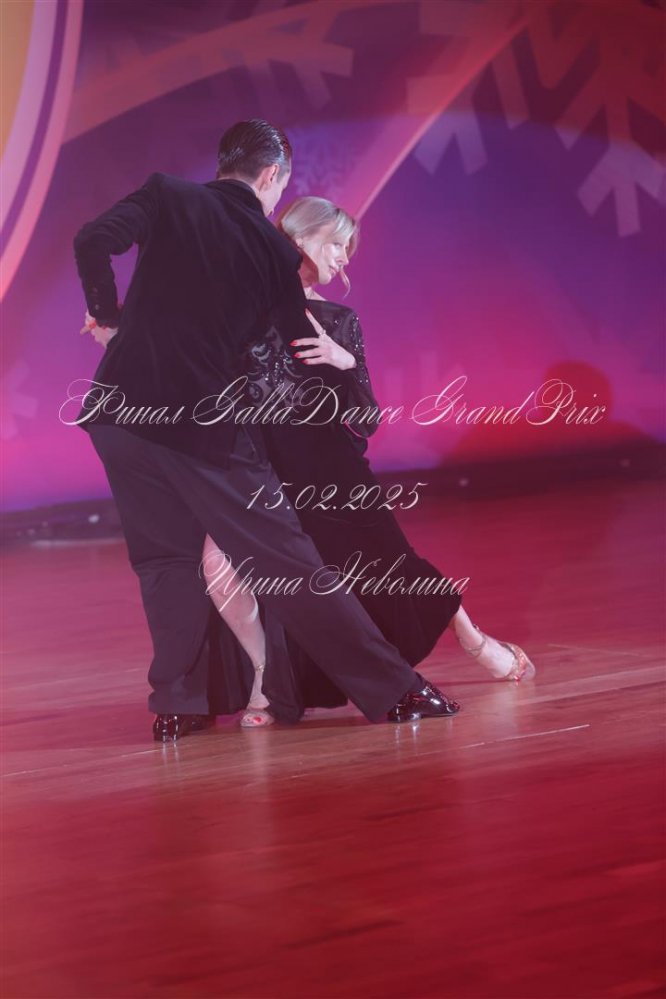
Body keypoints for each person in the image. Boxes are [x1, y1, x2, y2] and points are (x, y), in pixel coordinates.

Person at [73, 119, 460, 741]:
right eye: (281, 184)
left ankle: (178, 704)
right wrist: (347, 366)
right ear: (272, 175)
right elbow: (299, 344)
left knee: (164, 560)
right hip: (199, 423)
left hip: (119, 412)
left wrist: (109, 316)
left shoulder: (167, 193)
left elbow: (91, 240)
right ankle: (396, 690)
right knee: (289, 560)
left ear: (224, 162)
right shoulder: (271, 248)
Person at [199, 197, 535, 726]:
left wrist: (344, 360)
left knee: (391, 567)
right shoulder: (244, 312)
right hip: (260, 467)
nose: (343, 258)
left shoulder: (339, 320)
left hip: (332, 469)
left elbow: (366, 417)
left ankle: (475, 640)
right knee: (229, 567)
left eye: (348, 249)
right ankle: (267, 679)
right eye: (336, 244)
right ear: (299, 239)